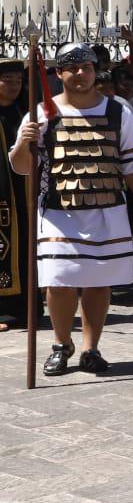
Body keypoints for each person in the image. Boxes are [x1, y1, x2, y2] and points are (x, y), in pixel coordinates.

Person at [9, 43, 133, 377]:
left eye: (87, 68)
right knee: (59, 280)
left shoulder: (118, 111)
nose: (80, 74)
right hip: (57, 211)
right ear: (59, 73)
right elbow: (22, 167)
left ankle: (91, 348)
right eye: (72, 68)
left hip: (107, 208)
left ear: (95, 71)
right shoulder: (41, 113)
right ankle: (62, 344)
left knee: (98, 281)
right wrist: (24, 142)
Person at [0, 58, 28, 331]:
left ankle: (23, 308)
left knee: (22, 248)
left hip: (21, 193)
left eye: (17, 81)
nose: (13, 86)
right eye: (7, 80)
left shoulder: (23, 112)